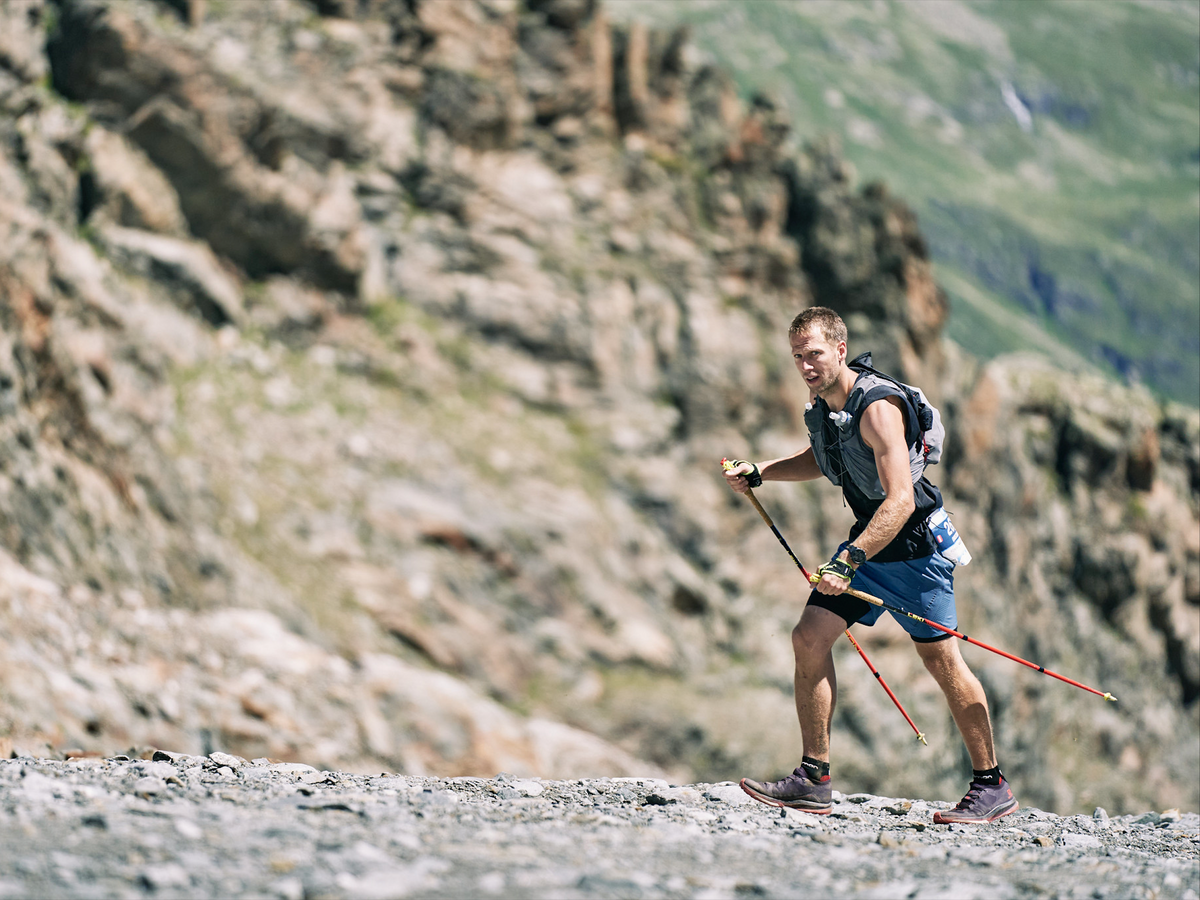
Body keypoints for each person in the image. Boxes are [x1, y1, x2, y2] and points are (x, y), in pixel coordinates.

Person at [722, 306, 1017, 825]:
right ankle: (813, 779)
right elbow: (824, 458)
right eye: (797, 356)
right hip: (869, 548)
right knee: (809, 637)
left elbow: (900, 500)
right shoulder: (824, 404)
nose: (806, 366)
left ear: (840, 350)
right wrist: (761, 471)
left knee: (944, 664)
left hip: (915, 554)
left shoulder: (878, 408)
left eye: (814, 354)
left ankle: (991, 786)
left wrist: (849, 559)